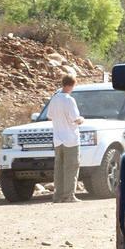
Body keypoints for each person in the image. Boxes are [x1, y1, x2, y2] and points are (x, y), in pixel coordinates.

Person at [47, 74, 84, 203]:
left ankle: (58, 196)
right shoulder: (69, 100)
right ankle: (69, 195)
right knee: (71, 167)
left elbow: (49, 116)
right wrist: (82, 119)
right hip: (71, 139)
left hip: (58, 139)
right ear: (70, 85)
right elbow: (75, 119)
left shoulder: (54, 98)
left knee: (59, 168)